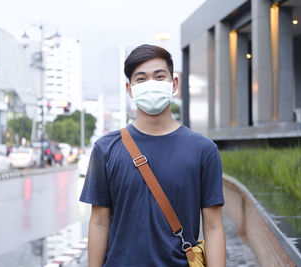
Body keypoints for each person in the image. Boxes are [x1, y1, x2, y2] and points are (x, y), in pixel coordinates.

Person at [80, 44, 226, 267]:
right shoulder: (106, 149)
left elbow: (214, 227)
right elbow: (99, 222)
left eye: (159, 76)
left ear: (174, 83)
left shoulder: (203, 150)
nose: (151, 84)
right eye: (141, 79)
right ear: (130, 89)